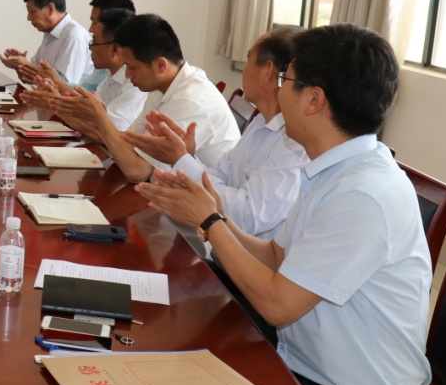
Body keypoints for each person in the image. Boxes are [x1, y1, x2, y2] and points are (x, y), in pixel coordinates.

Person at [136, 24, 430, 385]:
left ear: (314, 100)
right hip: (304, 375)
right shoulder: (333, 170)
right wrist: (213, 216)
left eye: (286, 80)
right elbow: (275, 255)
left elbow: (278, 305)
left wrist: (210, 222)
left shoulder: (363, 192)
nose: (279, 89)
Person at [123, 26, 308, 238]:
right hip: (214, 238)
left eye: (248, 59)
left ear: (267, 71)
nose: (245, 68)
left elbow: (247, 217)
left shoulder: (293, 141)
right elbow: (220, 174)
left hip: (234, 251)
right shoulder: (260, 123)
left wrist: (180, 159)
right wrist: (186, 158)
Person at [43, 13, 238, 182]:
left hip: (204, 206)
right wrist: (96, 116)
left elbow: (137, 171)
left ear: (160, 65)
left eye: (131, 67)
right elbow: (130, 142)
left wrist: (100, 116)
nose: (127, 75)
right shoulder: (162, 85)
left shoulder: (190, 100)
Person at [23, 7, 145, 131]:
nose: (90, 48)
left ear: (114, 49)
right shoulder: (110, 76)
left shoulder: (135, 84)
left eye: (94, 42)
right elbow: (88, 117)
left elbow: (105, 132)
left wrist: (54, 104)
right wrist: (55, 96)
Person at [0, 0, 93, 85]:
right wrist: (20, 66)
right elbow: (31, 78)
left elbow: (65, 86)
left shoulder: (74, 36)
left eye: (32, 11)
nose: (28, 18)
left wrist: (27, 65)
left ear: (51, 9)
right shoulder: (50, 34)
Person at [81, 0, 136, 90]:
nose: (90, 29)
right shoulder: (111, 75)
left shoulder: (134, 83)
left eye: (95, 22)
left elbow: (87, 91)